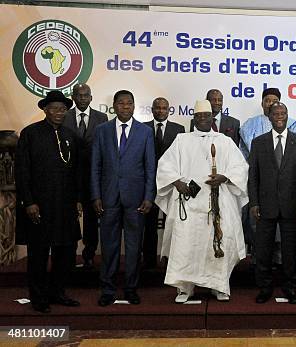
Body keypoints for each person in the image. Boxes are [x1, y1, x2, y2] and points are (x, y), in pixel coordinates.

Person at [156, 99, 248, 303]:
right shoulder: (182, 140)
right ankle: (184, 288)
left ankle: (220, 286)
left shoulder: (224, 141)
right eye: (199, 116)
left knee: (218, 242)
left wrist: (224, 177)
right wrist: (176, 182)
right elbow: (165, 165)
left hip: (218, 202)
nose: (204, 119)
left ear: (212, 118)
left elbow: (240, 167)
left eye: (207, 115)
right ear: (194, 118)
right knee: (186, 245)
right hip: (188, 203)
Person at [16, 90, 82, 313]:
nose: (59, 112)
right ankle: (38, 297)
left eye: (63, 109)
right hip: (40, 205)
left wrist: (77, 201)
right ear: (45, 110)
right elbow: (22, 171)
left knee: (65, 253)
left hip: (64, 206)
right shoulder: (30, 133)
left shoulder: (70, 135)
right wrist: (29, 202)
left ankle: (57, 292)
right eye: (54, 108)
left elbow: (76, 172)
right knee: (39, 255)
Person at [91, 90, 156, 306]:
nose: (125, 107)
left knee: (133, 247)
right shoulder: (102, 130)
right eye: (121, 103)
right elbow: (95, 167)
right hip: (108, 198)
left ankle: (131, 288)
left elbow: (150, 168)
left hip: (136, 199)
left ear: (134, 106)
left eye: (129, 103)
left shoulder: (145, 132)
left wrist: (149, 196)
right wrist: (96, 195)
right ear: (114, 106)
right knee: (108, 247)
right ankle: (107, 290)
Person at [249, 101, 296, 304]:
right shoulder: (258, 143)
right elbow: (253, 177)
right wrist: (254, 203)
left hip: (292, 206)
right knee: (263, 250)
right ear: (269, 116)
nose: (279, 116)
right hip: (265, 206)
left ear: (287, 115)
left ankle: (291, 287)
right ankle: (265, 287)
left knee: (291, 251)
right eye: (276, 113)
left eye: (283, 113)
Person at [63, 83, 108, 268]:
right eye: (79, 95)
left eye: (86, 95)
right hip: (68, 177)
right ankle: (69, 255)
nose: (82, 98)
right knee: (69, 218)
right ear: (73, 97)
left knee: (91, 218)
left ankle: (89, 255)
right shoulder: (63, 116)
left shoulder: (102, 117)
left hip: (92, 176)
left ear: (91, 97)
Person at [143, 97, 185, 269]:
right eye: (157, 108)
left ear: (169, 110)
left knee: (172, 224)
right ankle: (149, 262)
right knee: (149, 225)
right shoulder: (142, 128)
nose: (160, 111)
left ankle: (171, 261)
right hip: (149, 184)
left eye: (164, 108)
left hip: (171, 184)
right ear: (152, 110)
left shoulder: (179, 129)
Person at [239, 88, 296, 159]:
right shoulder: (250, 124)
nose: (271, 103)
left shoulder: (292, 124)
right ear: (262, 104)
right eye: (267, 101)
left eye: (275, 101)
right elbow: (246, 151)